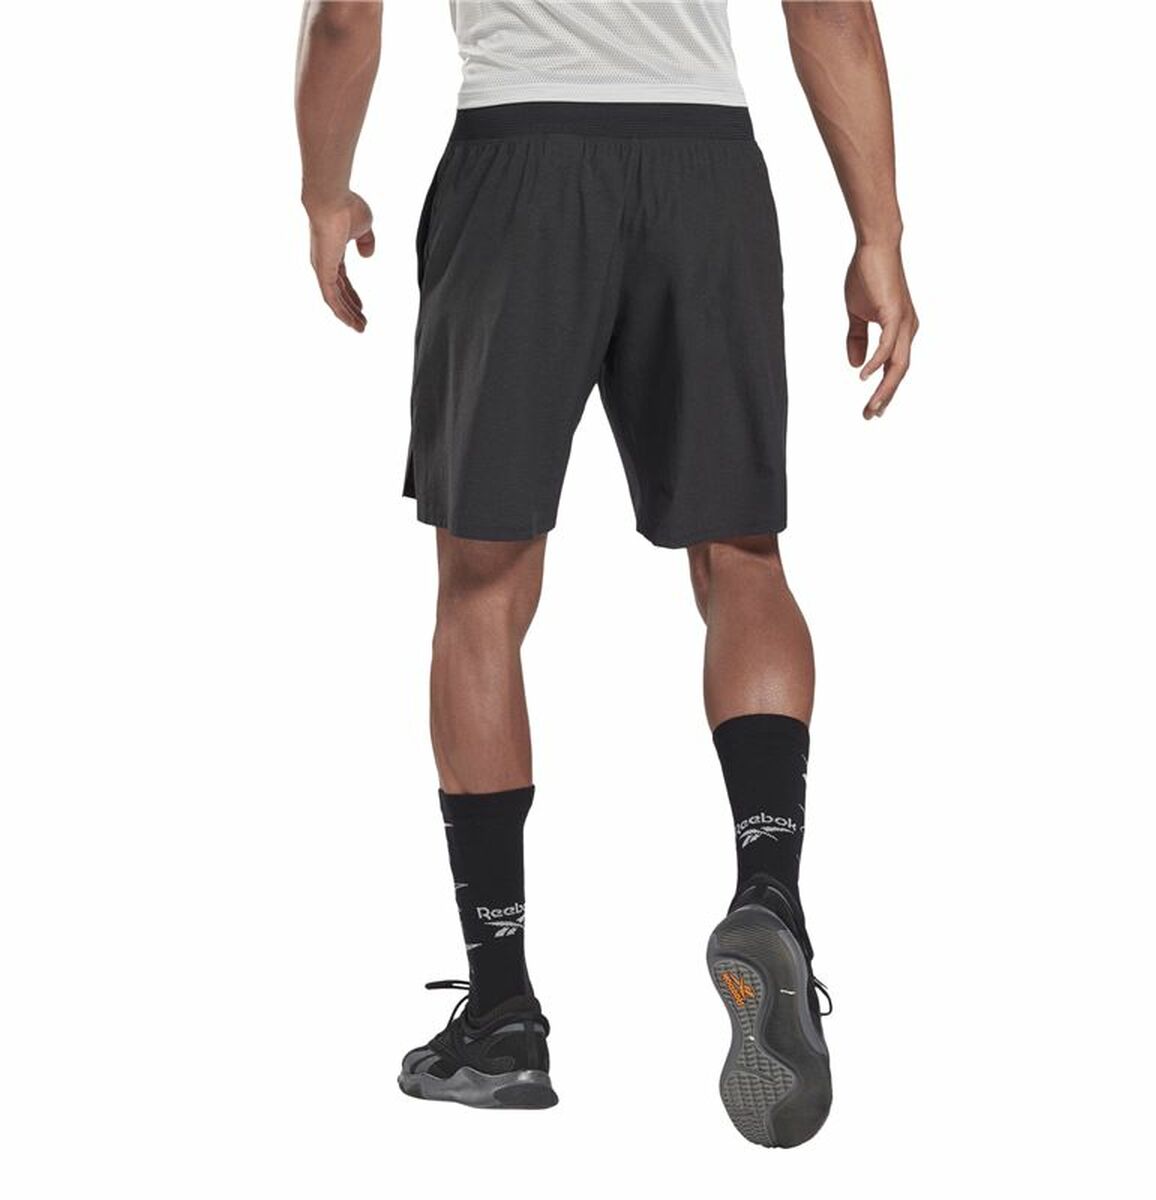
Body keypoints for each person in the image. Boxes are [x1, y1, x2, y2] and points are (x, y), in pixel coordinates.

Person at [295, 0, 916, 1148]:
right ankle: (769, 886)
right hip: (704, 167)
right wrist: (877, 234)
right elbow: (831, 8)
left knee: (482, 591)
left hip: (518, 163)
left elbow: (343, 20)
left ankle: (501, 1012)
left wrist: (324, 191)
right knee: (742, 554)